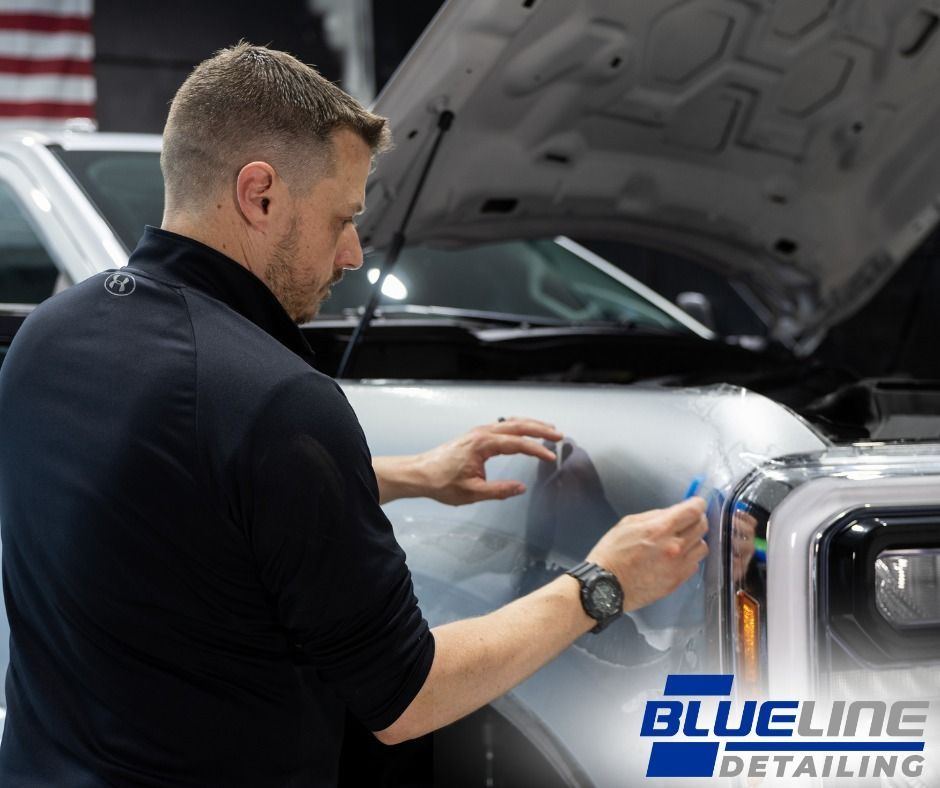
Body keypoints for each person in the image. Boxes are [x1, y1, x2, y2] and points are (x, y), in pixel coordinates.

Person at [0, 44, 707, 787]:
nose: (353, 252)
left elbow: (187, 494)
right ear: (260, 194)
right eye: (343, 217)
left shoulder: (50, 337)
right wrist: (604, 584)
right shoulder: (277, 399)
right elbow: (405, 696)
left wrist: (411, 475)